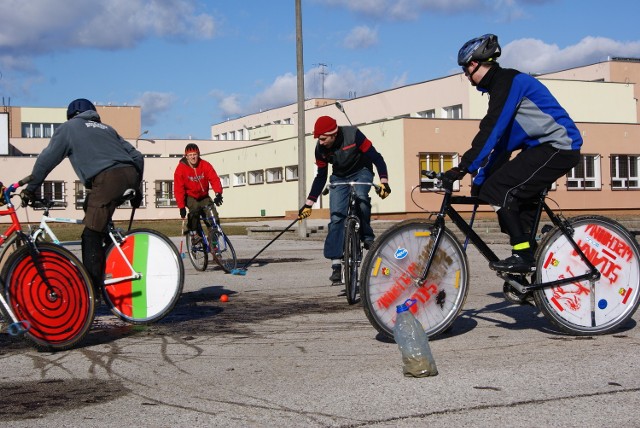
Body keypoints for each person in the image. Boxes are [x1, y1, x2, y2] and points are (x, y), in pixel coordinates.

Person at [443, 34, 582, 274]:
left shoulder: (509, 82)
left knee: (500, 190)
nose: (466, 75)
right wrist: (480, 177)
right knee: (499, 194)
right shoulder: (501, 87)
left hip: (559, 146)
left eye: (466, 69)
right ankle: (533, 273)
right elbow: (504, 144)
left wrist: (462, 167)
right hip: (541, 149)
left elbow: (492, 129)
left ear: (476, 63)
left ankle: (523, 256)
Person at [21, 98, 144, 297]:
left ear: (70, 115)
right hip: (130, 174)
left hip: (107, 178)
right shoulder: (107, 128)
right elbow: (138, 156)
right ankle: (107, 251)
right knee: (90, 205)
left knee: (90, 234)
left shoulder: (69, 128)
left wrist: (31, 188)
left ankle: (91, 294)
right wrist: (137, 189)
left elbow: (47, 159)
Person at [298, 115, 391, 283]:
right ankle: (335, 264)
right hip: (339, 177)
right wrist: (308, 204)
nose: (321, 142)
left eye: (323, 138)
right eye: (319, 138)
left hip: (362, 171)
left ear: (333, 134)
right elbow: (321, 177)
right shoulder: (320, 149)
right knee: (336, 217)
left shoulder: (354, 135)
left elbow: (377, 158)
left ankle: (366, 236)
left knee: (362, 196)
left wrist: (384, 181)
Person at [173, 143, 223, 241]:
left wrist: (218, 193)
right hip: (190, 196)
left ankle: (214, 237)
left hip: (204, 196)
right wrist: (181, 206)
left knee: (213, 214)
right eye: (190, 155)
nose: (193, 157)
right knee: (195, 209)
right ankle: (193, 233)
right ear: (186, 156)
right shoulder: (180, 169)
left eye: (195, 154)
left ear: (198, 154)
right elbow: (178, 189)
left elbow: (214, 179)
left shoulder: (205, 165)